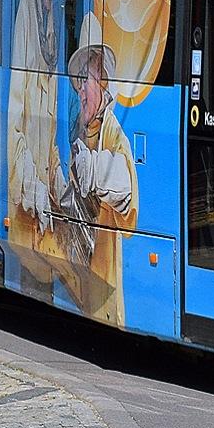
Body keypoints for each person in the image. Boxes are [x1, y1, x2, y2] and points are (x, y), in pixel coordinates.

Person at [3, 0, 75, 302]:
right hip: (27, 215)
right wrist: (34, 187)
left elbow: (48, 136)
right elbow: (15, 124)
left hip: (43, 215)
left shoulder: (49, 23)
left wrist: (62, 185)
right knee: (34, 290)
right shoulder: (26, 14)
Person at [53, 42, 139, 324]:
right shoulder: (81, 129)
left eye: (85, 82)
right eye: (78, 84)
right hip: (80, 278)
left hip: (102, 291)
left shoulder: (113, 132)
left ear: (103, 85)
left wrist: (93, 170)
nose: (80, 92)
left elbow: (126, 189)